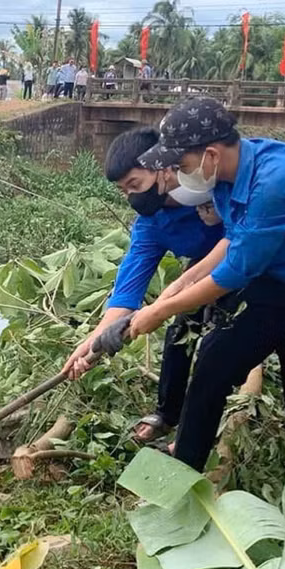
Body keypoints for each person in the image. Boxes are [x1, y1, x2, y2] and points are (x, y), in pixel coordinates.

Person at [122, 96, 285, 472]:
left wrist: (160, 311)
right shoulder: (227, 176)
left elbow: (234, 273)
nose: (177, 175)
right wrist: (179, 285)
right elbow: (232, 241)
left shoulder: (275, 181)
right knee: (214, 362)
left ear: (211, 154)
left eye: (181, 165)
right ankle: (183, 472)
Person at [62, 127, 225, 442]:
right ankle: (167, 414)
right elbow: (126, 294)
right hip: (200, 269)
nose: (131, 197)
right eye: (124, 191)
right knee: (180, 333)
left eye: (134, 185)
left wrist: (165, 303)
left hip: (248, 261)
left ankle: (198, 433)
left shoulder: (207, 191)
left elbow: (241, 242)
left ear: (162, 169)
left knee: (218, 346)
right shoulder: (151, 225)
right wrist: (92, 343)